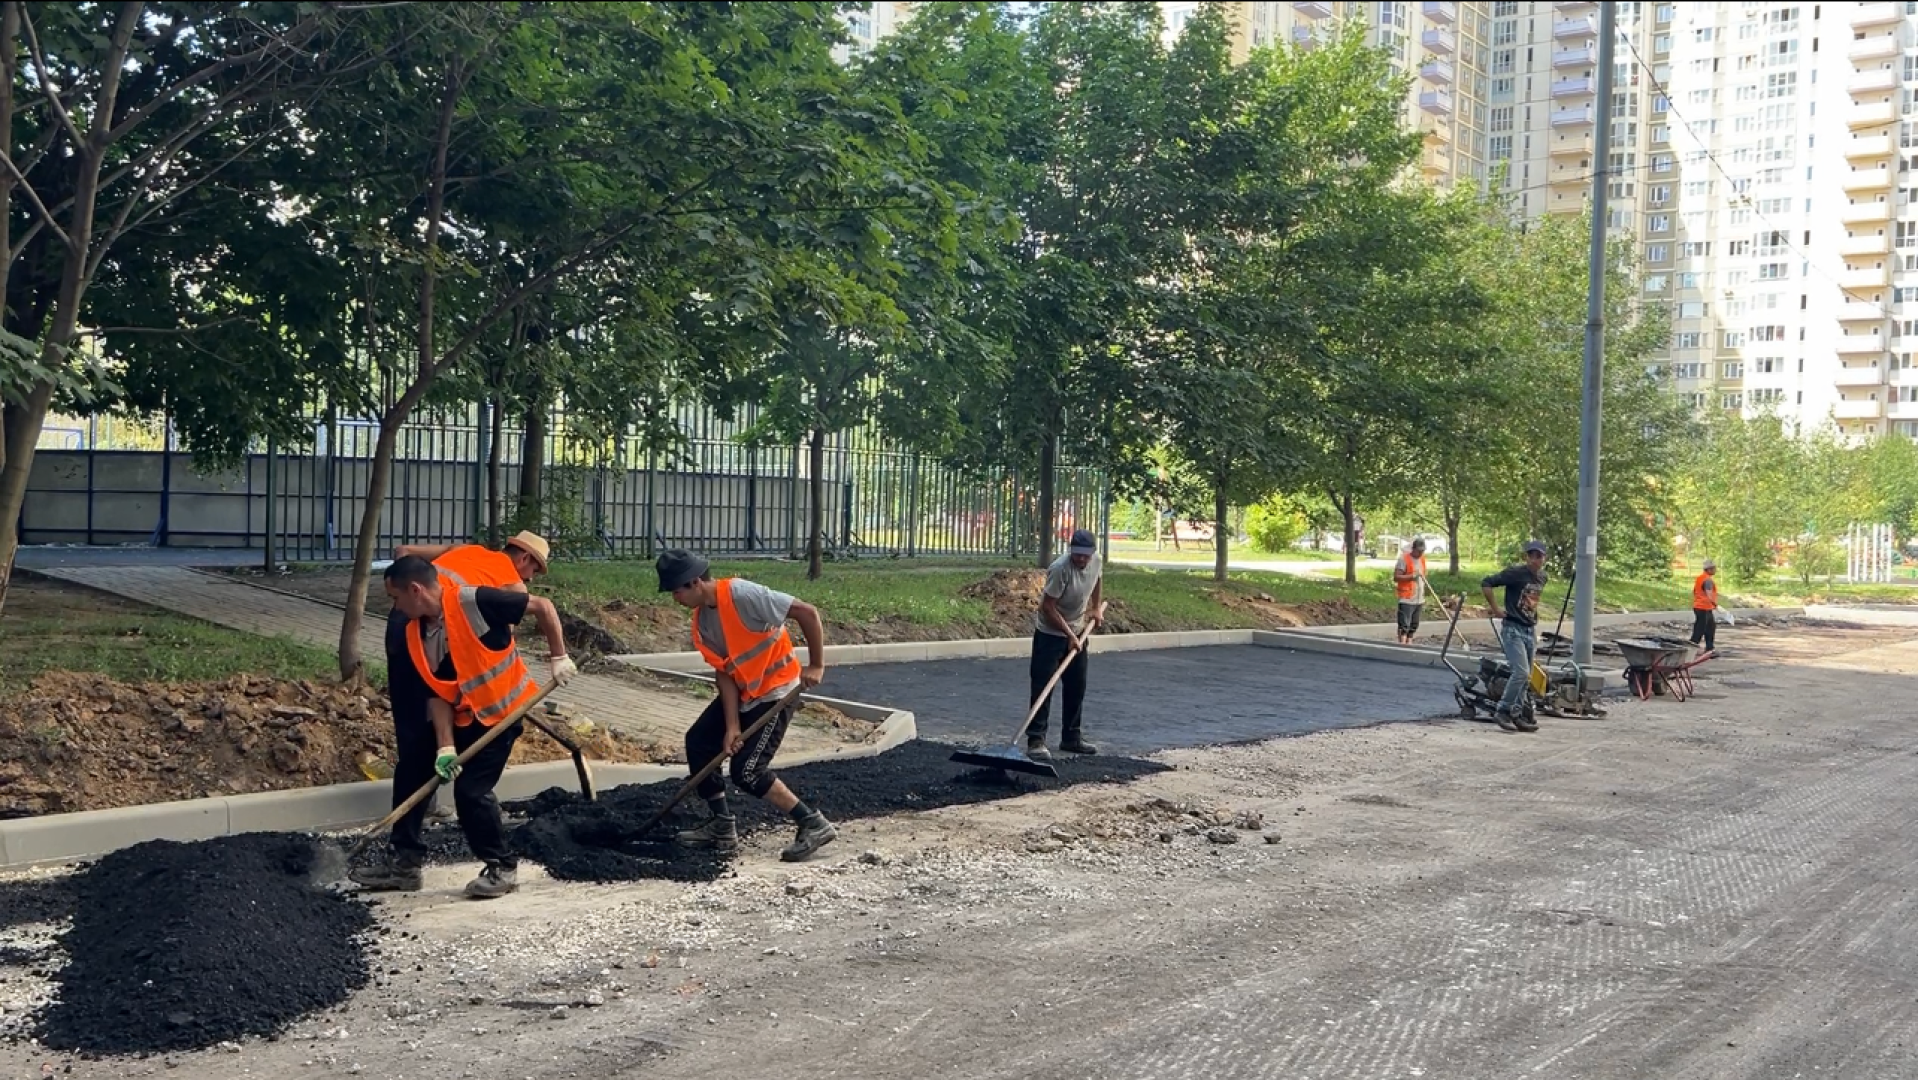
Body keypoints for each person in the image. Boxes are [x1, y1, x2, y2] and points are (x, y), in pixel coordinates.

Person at [351, 555, 578, 898]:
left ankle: (502, 866)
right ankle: (405, 864)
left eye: (395, 598)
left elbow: (543, 607)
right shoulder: (416, 633)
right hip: (463, 715)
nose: (393, 607)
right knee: (413, 764)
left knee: (470, 791)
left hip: (503, 714)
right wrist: (444, 747)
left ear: (415, 590)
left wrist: (558, 657)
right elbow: (438, 693)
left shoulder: (474, 601)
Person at [656, 549, 838, 863]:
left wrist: (816, 665)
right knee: (699, 742)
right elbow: (725, 673)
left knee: (748, 771)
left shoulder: (743, 595)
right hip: (745, 693)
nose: (675, 599)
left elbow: (807, 612)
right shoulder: (703, 622)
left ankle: (812, 822)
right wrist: (731, 727)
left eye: (677, 591)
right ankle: (722, 826)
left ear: (696, 582)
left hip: (778, 691)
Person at [386, 531, 550, 823]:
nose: (531, 578)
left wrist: (400, 584)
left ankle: (423, 808)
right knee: (435, 711)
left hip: (403, 623)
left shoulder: (470, 551)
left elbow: (403, 550)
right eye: (534, 569)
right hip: (426, 627)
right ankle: (456, 801)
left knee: (414, 727)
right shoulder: (510, 579)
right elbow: (497, 647)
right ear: (523, 557)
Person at [1026, 528, 1104, 761]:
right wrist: (1068, 634)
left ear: (1092, 553)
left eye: (1085, 555)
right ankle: (1036, 740)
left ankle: (1071, 738)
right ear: (1071, 550)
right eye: (1077, 554)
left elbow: (1098, 579)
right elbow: (1047, 607)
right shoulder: (1060, 569)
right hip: (1050, 634)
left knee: (1076, 686)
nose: (1081, 559)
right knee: (1043, 686)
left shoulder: (1096, 561)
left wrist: (1096, 607)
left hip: (1077, 631)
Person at [1479, 540, 1548, 734]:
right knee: (1520, 672)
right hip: (1513, 629)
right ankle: (1503, 710)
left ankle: (1518, 714)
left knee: (1526, 677)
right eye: (1531, 556)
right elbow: (1487, 583)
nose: (1535, 560)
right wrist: (1495, 609)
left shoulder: (1542, 577)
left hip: (1528, 629)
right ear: (1527, 557)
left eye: (1539, 556)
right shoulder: (1516, 573)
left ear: (1544, 558)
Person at [1393, 538, 1429, 646]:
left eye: (1422, 551)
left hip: (1418, 597)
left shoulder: (1422, 559)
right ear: (1413, 549)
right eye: (1418, 551)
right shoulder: (1404, 559)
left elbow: (1423, 575)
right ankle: (1402, 644)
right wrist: (1411, 576)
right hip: (1406, 597)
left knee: (1414, 624)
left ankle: (1410, 642)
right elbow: (1396, 577)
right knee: (1404, 624)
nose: (1420, 553)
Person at [1690, 558, 1719, 654]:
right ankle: (1691, 648)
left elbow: (1694, 591)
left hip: (1703, 607)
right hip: (1703, 607)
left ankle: (1710, 648)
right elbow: (1709, 593)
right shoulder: (1707, 580)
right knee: (1700, 629)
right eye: (1714, 568)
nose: (1715, 570)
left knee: (1710, 627)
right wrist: (1715, 604)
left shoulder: (1700, 578)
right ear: (1709, 569)